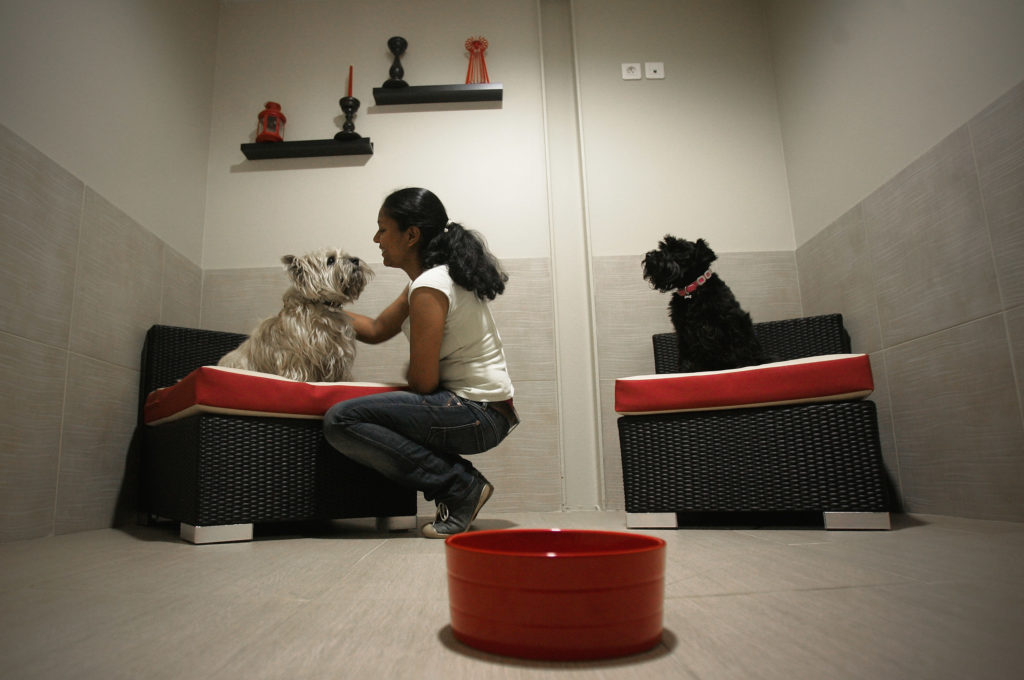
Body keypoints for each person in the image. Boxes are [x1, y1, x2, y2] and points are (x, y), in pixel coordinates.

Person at [323, 187, 518, 538]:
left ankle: (460, 486)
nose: (376, 239)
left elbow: (423, 383)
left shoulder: (430, 285)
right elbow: (376, 329)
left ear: (411, 235)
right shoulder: (428, 280)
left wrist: (408, 377)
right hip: (486, 410)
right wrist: (319, 309)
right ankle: (460, 484)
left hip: (476, 413)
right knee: (366, 411)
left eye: (383, 229)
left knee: (342, 419)